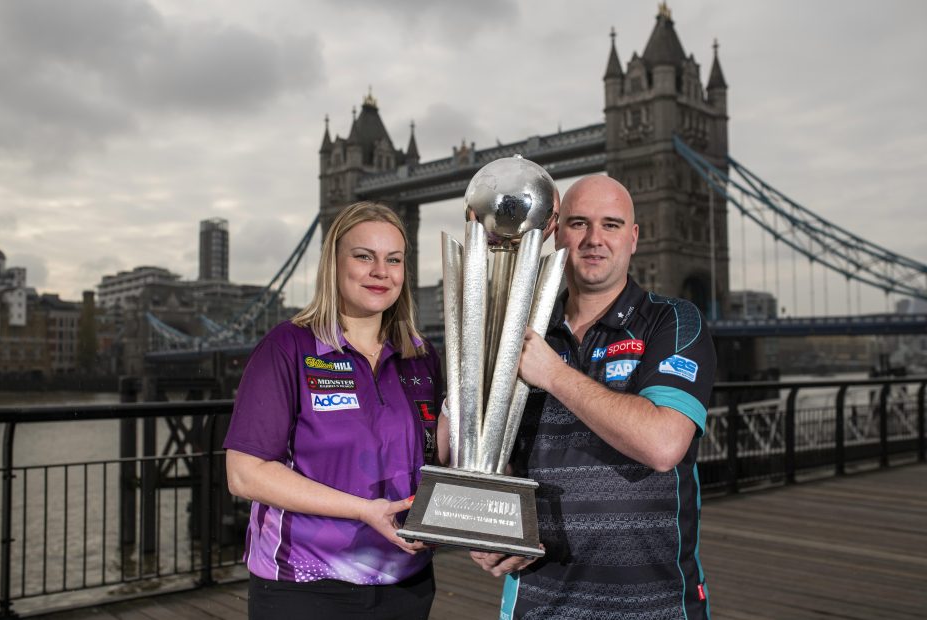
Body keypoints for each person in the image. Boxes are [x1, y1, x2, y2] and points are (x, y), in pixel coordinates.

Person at [471, 175, 716, 619]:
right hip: (538, 601)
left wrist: (554, 374)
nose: (594, 240)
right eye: (579, 224)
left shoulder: (674, 322)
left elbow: (662, 445)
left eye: (612, 225)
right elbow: (487, 454)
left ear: (634, 237)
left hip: (655, 605)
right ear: (556, 233)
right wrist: (490, 527)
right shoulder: (519, 330)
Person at [224, 201, 445, 619]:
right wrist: (364, 510)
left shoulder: (421, 355)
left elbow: (440, 456)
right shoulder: (287, 348)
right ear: (333, 264)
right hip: (305, 585)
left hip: (407, 581)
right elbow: (244, 473)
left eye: (393, 259)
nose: (381, 271)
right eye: (364, 256)